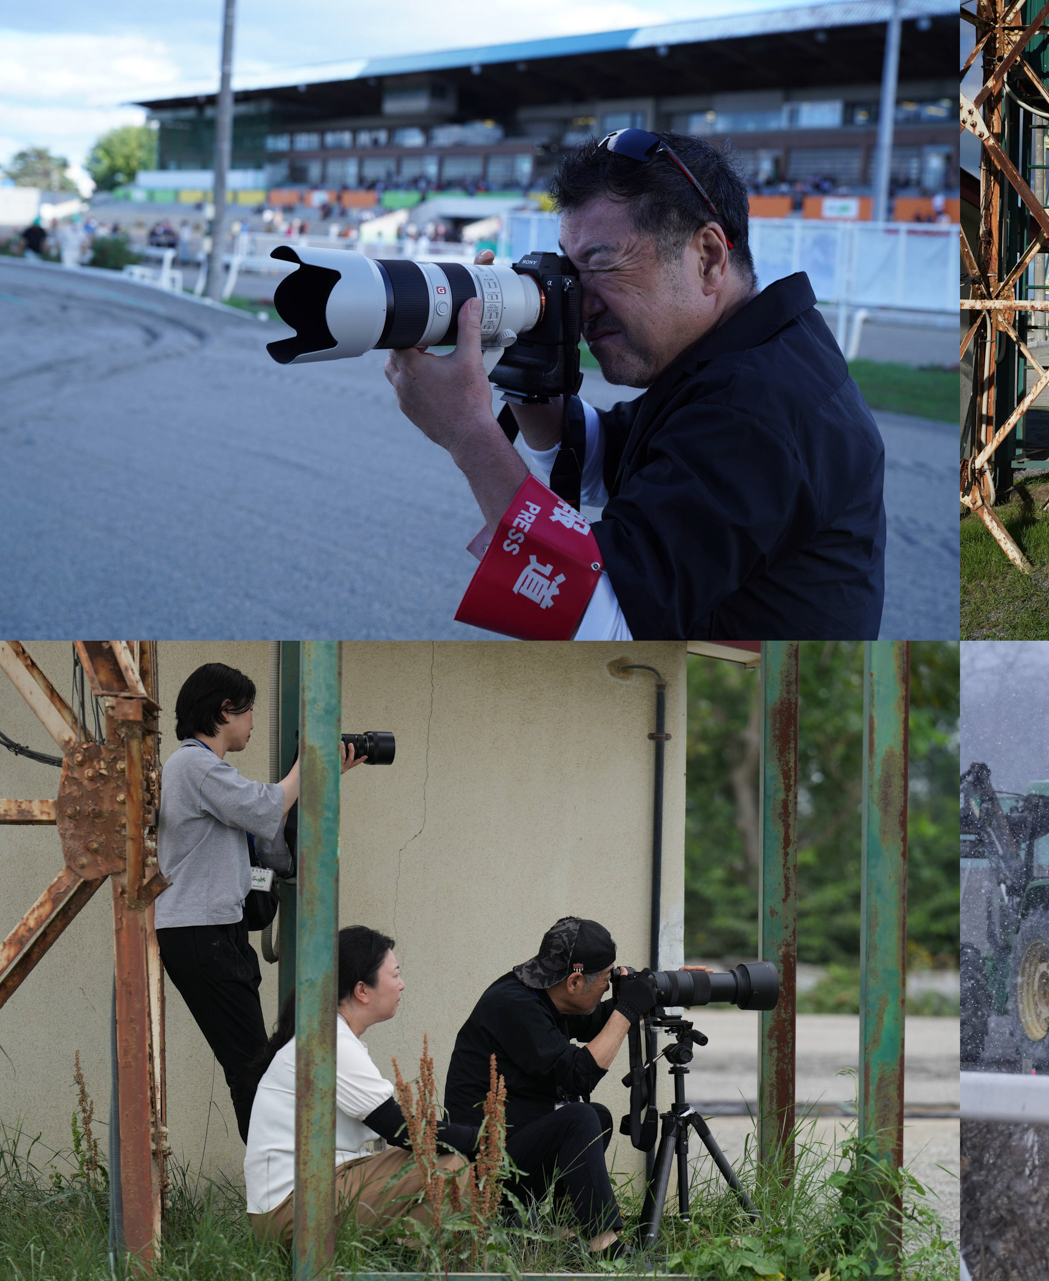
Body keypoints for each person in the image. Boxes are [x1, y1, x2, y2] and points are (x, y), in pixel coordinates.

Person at [383, 129, 886, 641]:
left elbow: (600, 623)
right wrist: (524, 363)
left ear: (708, 257)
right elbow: (607, 467)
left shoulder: (760, 408)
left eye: (601, 264)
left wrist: (468, 431)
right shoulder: (746, 356)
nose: (580, 301)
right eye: (570, 270)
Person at [156, 663, 364, 1141]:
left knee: (257, 1065)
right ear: (225, 710)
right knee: (253, 1068)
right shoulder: (192, 764)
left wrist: (324, 774)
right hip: (200, 934)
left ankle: (275, 1182)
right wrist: (310, 762)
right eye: (248, 712)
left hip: (215, 933)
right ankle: (273, 1188)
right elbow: (265, 805)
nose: (252, 723)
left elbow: (270, 811)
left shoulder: (203, 769)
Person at [245, 926, 470, 1241]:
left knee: (444, 1158)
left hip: (308, 1195)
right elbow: (400, 1128)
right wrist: (483, 1139)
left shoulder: (328, 1036)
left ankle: (399, 1259)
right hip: (293, 1210)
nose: (402, 985)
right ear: (362, 990)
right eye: (395, 975)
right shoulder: (329, 1042)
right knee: (452, 1163)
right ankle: (413, 1260)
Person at [443, 918, 650, 1257]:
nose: (609, 987)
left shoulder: (545, 994)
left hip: (511, 1148)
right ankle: (606, 1249)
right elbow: (578, 1075)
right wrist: (627, 1010)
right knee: (580, 1118)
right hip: (481, 1171)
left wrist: (657, 992)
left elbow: (596, 1019)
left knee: (595, 1117)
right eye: (607, 979)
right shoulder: (513, 1005)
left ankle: (565, 1230)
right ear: (575, 981)